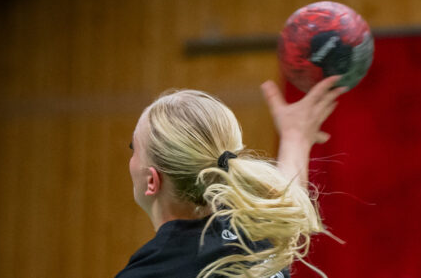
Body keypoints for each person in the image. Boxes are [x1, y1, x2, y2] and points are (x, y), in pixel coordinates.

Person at [116, 76, 347, 278]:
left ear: (152, 181)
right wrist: (295, 135)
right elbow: (287, 189)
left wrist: (294, 135)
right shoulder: (260, 228)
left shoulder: (149, 272)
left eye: (132, 147)